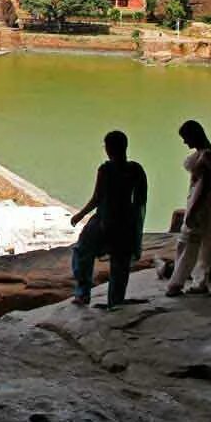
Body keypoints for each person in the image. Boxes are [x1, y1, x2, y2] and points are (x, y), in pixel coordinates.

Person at [69, 130, 148, 308]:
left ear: (109, 148)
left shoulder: (106, 169)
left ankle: (82, 293)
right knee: (120, 263)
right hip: (126, 222)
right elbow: (140, 201)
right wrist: (135, 226)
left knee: (82, 251)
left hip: (105, 220)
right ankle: (116, 300)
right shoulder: (136, 169)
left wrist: (80, 214)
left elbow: (97, 197)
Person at [166, 119, 211, 297]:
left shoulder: (205, 156)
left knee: (188, 242)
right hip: (200, 200)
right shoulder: (206, 153)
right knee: (201, 242)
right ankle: (199, 281)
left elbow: (205, 186)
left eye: (185, 137)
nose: (185, 142)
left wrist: (194, 210)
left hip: (201, 202)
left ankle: (176, 283)